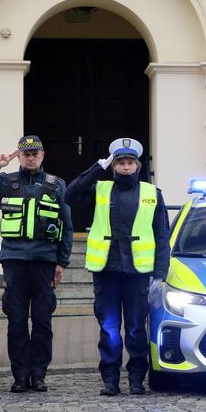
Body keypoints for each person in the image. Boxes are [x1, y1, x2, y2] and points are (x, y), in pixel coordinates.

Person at [0, 135, 73, 393]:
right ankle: (20, 376)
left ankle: (39, 374)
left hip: (45, 262)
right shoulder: (4, 182)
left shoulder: (57, 185)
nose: (30, 157)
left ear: (42, 155)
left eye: (35, 153)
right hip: (15, 262)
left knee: (43, 321)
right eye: (25, 154)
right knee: (17, 321)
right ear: (19, 156)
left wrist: (62, 262)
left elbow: (67, 227)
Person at [65, 138, 170, 396]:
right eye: (120, 163)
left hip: (137, 273)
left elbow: (162, 236)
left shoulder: (151, 194)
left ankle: (136, 378)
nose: (125, 167)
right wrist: (97, 168)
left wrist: (160, 275)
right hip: (107, 270)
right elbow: (70, 194)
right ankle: (110, 378)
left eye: (130, 163)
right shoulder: (100, 188)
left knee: (135, 328)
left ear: (138, 166)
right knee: (109, 329)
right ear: (113, 166)